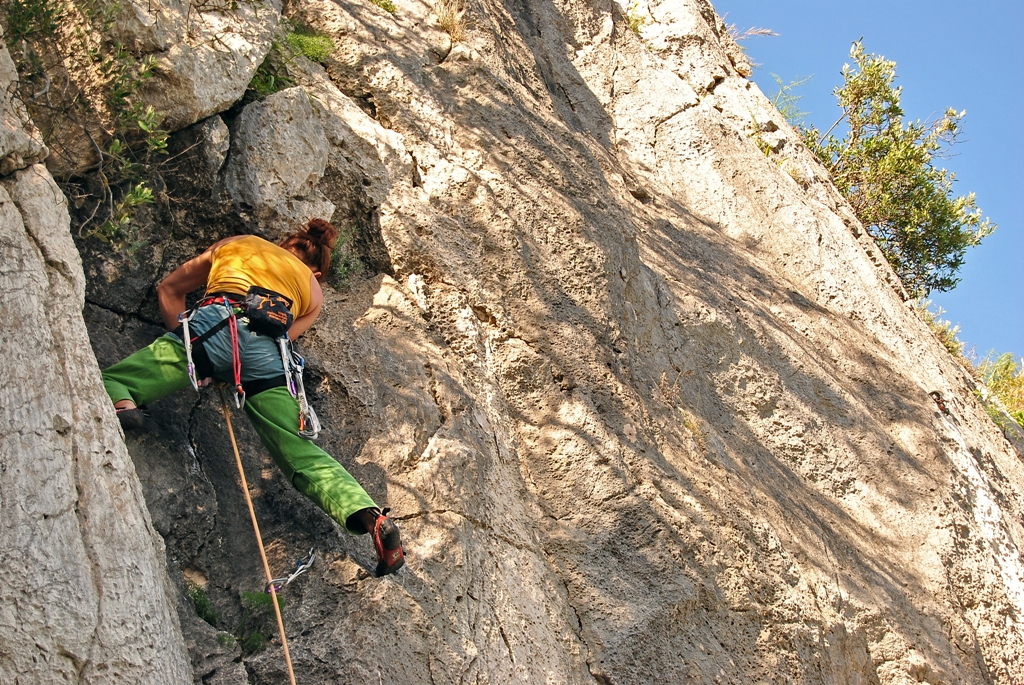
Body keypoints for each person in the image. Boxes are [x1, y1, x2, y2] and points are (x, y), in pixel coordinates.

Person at [100, 219, 405, 577]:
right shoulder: (313, 291)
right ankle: (370, 517)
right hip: (265, 354)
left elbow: (169, 288)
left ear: (284, 242)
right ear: (317, 271)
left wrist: (194, 352)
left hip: (213, 324)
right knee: (301, 454)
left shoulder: (239, 242)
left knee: (109, 379)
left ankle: (125, 405)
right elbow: (286, 338)